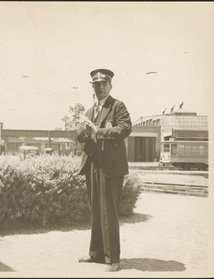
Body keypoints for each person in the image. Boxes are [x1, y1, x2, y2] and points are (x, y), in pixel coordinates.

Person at [76, 69, 132, 272]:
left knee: (109, 211)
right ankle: (96, 254)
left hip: (111, 168)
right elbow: (81, 136)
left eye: (103, 84)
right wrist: (81, 130)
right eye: (95, 85)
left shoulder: (118, 106)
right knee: (96, 211)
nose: (99, 88)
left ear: (110, 86)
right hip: (93, 166)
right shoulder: (90, 111)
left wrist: (98, 132)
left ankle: (112, 259)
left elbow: (125, 129)